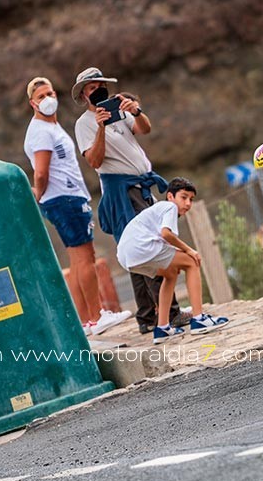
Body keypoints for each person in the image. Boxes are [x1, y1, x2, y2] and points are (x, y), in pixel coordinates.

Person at [72, 67, 188, 335]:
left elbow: (144, 128)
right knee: (148, 248)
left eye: (100, 84)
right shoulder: (85, 124)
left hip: (140, 186)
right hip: (122, 192)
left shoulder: (119, 111)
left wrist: (135, 110)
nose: (98, 89)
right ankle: (169, 313)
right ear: (84, 94)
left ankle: (147, 316)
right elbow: (94, 161)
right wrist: (100, 127)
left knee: (135, 251)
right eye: (92, 87)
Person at [23, 77, 126, 336]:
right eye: (41, 96)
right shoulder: (40, 132)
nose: (48, 99)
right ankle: (97, 314)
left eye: (50, 93)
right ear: (32, 103)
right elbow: (41, 173)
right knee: (85, 258)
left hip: (69, 197)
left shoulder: (52, 127)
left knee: (81, 259)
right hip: (63, 199)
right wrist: (41, 196)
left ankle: (89, 320)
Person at [115, 177, 228, 344]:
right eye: (183, 197)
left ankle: (162, 328)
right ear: (170, 196)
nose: (188, 203)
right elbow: (166, 234)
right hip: (141, 248)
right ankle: (199, 319)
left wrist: (180, 253)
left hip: (127, 257)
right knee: (191, 262)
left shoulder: (158, 210)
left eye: (191, 199)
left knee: (171, 273)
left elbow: (164, 241)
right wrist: (189, 250)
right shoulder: (169, 207)